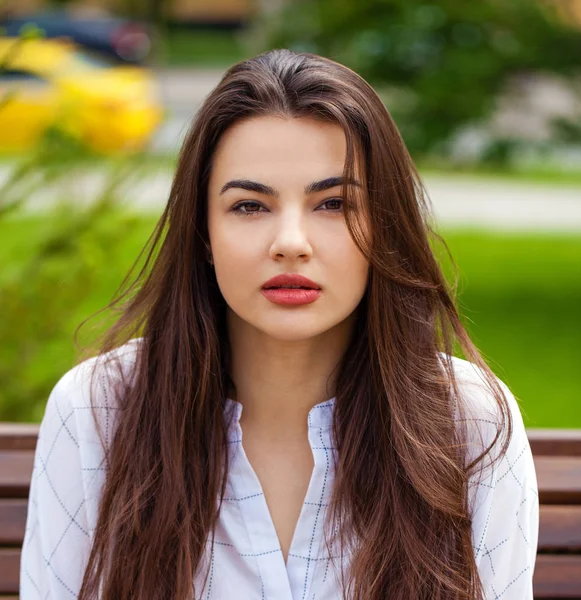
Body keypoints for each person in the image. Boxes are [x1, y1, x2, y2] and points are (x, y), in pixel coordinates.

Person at [19, 49, 539, 600]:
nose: (291, 242)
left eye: (334, 203)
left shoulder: (468, 421)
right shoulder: (100, 409)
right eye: (249, 206)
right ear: (202, 234)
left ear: (384, 228)